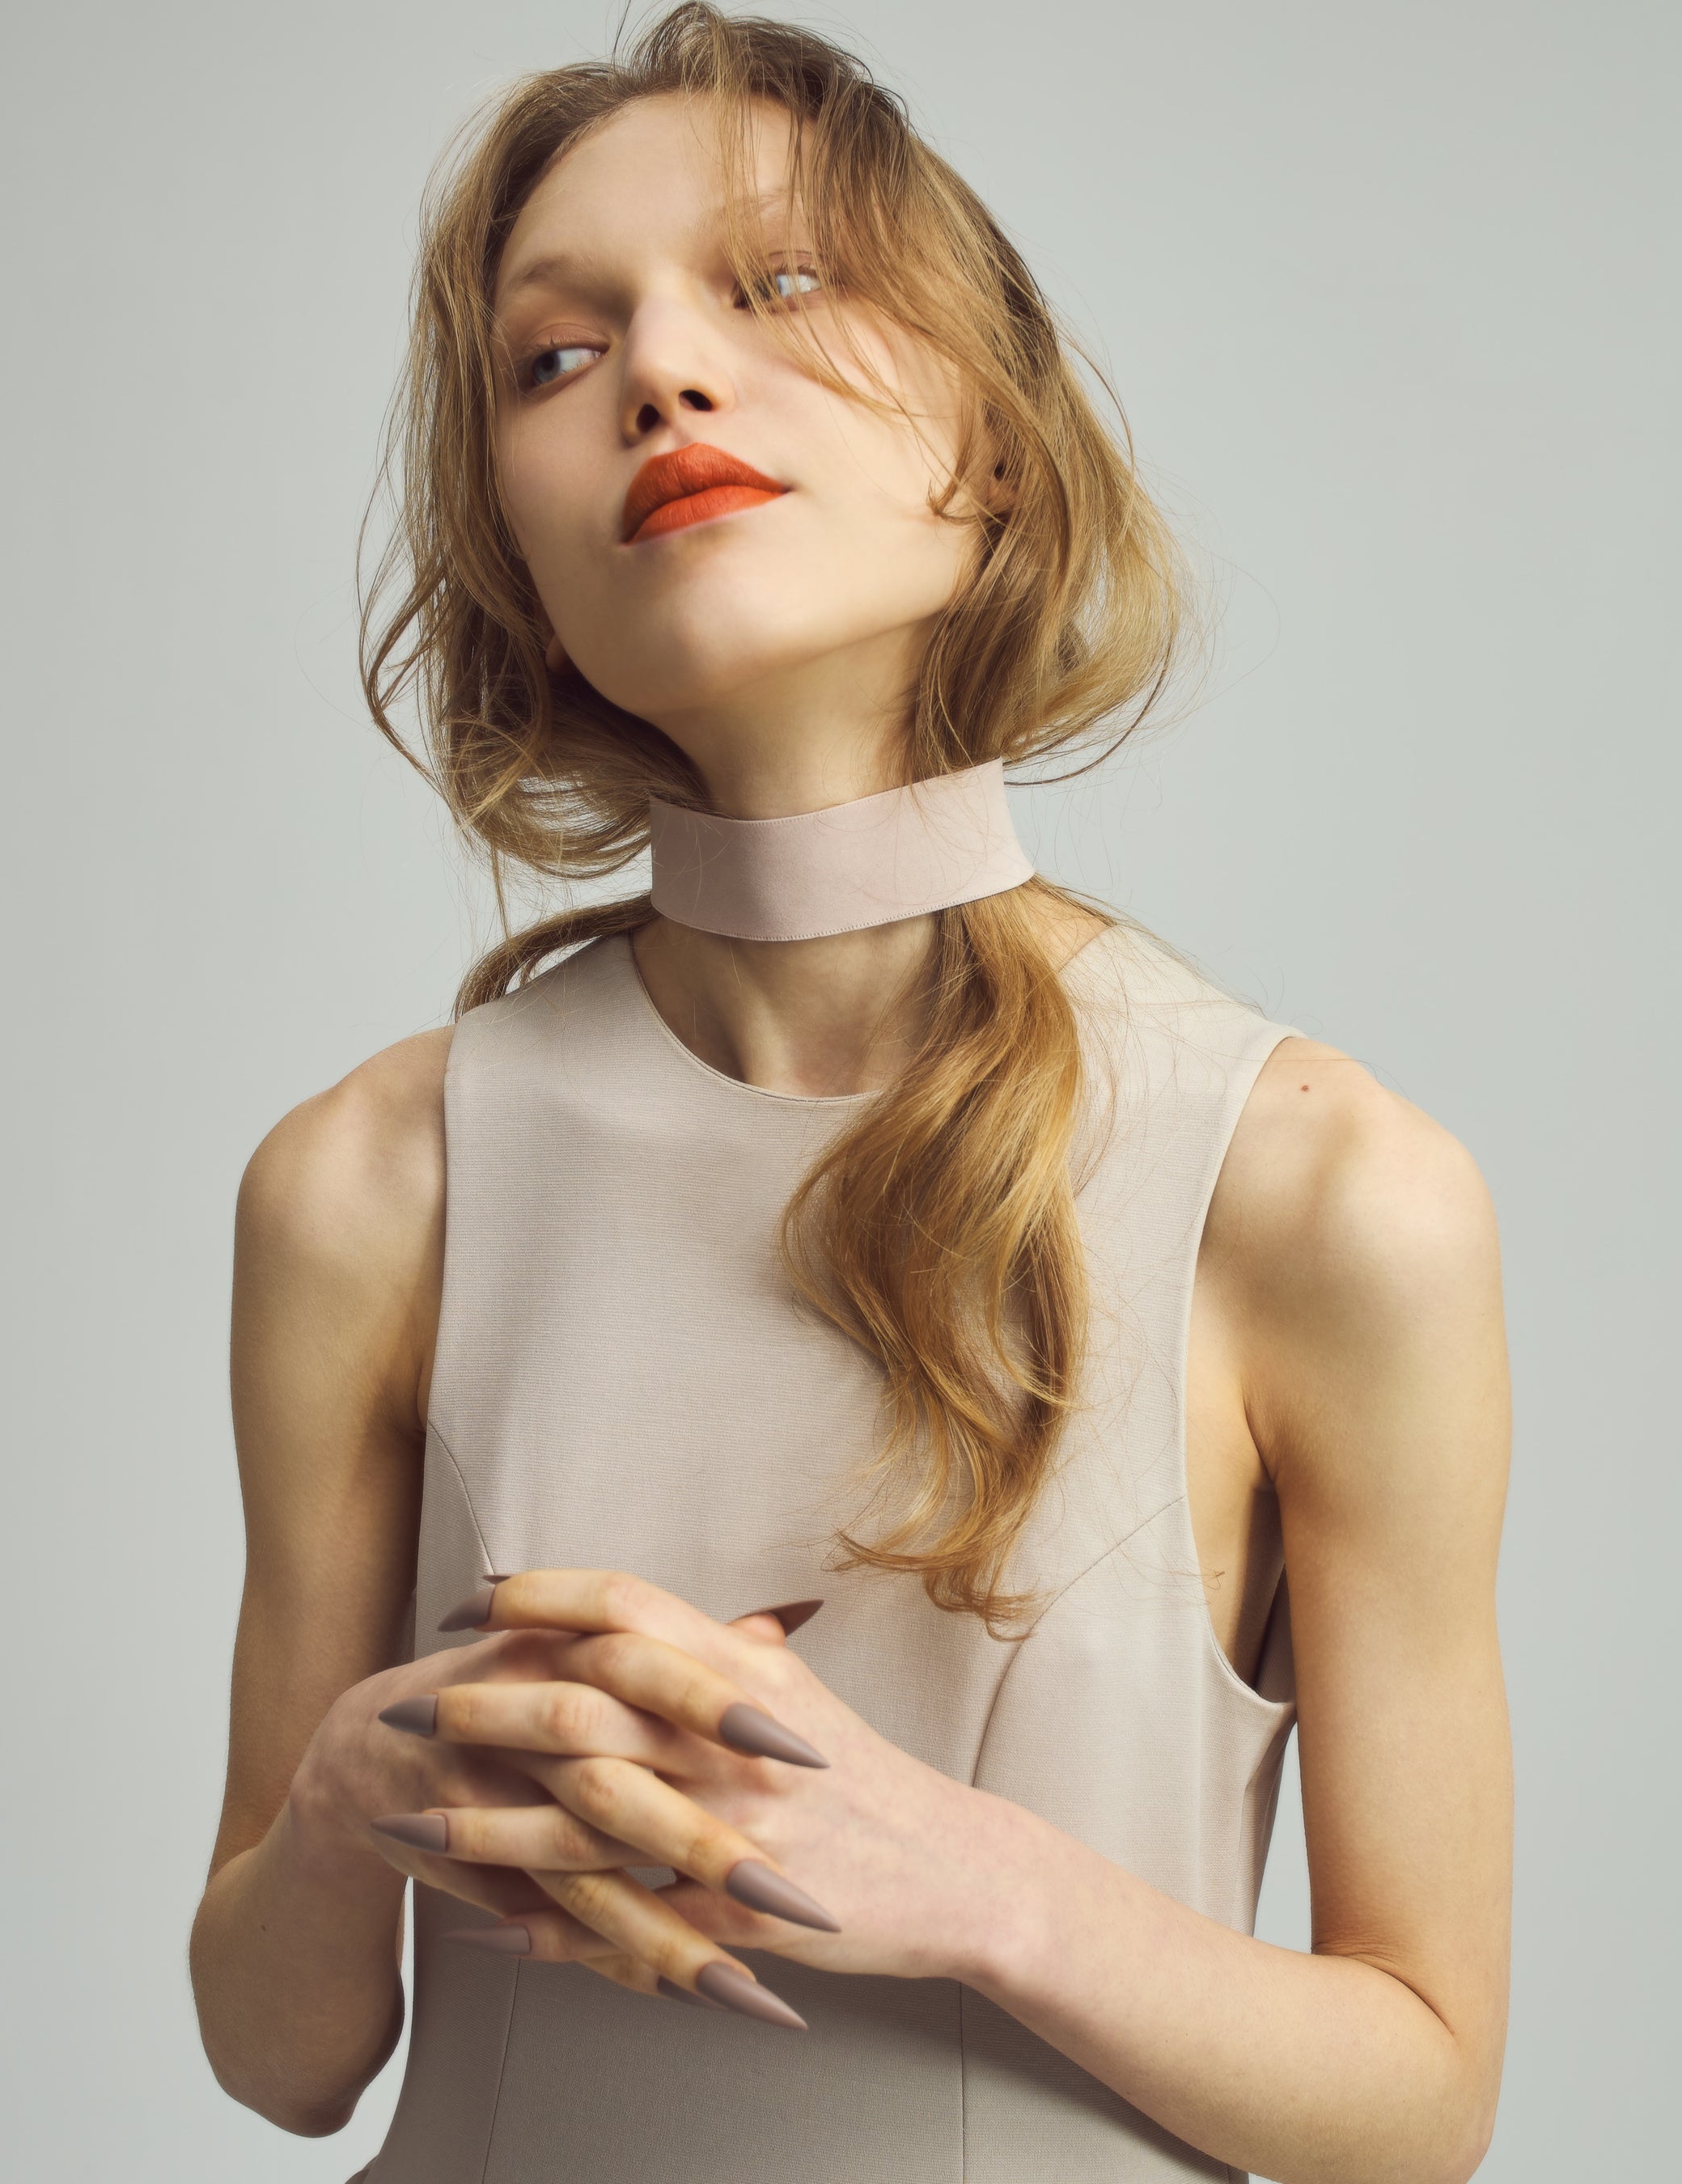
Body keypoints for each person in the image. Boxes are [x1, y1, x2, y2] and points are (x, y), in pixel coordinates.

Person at [187, 8, 1513, 2180]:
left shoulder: (1322, 1192)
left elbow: (1429, 2095)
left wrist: (974, 1881)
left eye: (779, 281)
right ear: (527, 564)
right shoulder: (366, 1187)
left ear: (993, 444)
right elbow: (283, 2054)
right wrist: (351, 1801)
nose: (661, 374)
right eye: (555, 354)